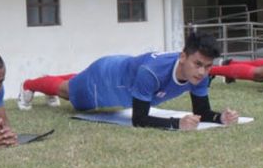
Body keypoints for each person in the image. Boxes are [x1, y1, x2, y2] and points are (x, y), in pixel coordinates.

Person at [18, 32, 240, 130]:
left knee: (73, 83)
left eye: (208, 66)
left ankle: (47, 84)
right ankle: (29, 85)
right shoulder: (151, 73)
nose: (202, 72)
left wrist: (221, 117)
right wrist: (176, 124)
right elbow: (139, 119)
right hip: (106, 78)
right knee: (68, 92)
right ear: (183, 56)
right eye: (198, 64)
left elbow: (202, 111)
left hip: (123, 70)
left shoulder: (198, 75)